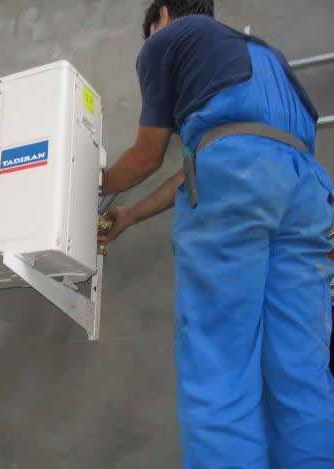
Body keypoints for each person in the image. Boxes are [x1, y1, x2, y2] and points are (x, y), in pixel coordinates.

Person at [99, 1, 334, 467]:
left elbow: (149, 156)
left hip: (234, 179)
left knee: (221, 367)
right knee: (301, 370)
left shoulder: (167, 41)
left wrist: (92, 183)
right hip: (306, 192)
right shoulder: (266, 57)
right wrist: (132, 214)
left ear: (164, 16)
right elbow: (197, 166)